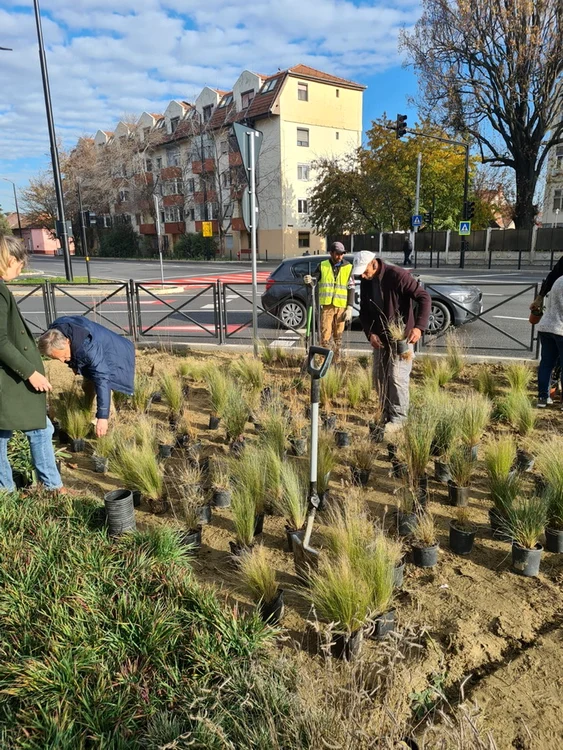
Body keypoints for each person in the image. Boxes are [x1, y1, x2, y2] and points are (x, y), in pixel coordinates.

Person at [0, 234, 63, 492]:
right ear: (9, 259)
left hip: (8, 378)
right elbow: (1, 341)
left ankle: (11, 492)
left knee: (26, 430)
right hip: (9, 378)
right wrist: (30, 373)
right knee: (38, 429)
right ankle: (49, 487)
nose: (21, 268)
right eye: (20, 264)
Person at [355, 251, 431, 430]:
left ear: (374, 263)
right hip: (380, 338)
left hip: (401, 337)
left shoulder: (397, 275)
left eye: (365, 271)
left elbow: (424, 297)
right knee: (379, 376)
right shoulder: (366, 282)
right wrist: (370, 333)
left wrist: (419, 327)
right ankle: (384, 412)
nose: (363, 276)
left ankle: (399, 418)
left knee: (397, 377)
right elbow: (364, 312)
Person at [38, 317, 135, 437]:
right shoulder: (56, 332)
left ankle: (107, 430)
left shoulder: (89, 348)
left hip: (116, 355)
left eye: (64, 356)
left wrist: (102, 417)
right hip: (96, 351)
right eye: (57, 358)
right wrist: (72, 362)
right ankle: (89, 415)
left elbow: (102, 380)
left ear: (68, 342)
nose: (62, 361)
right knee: (87, 386)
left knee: (101, 389)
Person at [304, 241, 354, 362]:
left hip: (341, 307)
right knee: (325, 335)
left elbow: (351, 287)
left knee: (338, 336)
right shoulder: (323, 265)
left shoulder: (348, 267)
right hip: (327, 307)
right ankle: (323, 360)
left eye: (342, 254)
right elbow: (315, 281)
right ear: (331, 253)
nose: (340, 256)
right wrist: (309, 280)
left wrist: (350, 307)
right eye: (337, 254)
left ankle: (336, 360)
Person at [536, 276, 563, 408]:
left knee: (546, 363)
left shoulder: (558, 280)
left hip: (546, 326)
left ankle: (543, 397)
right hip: (561, 328)